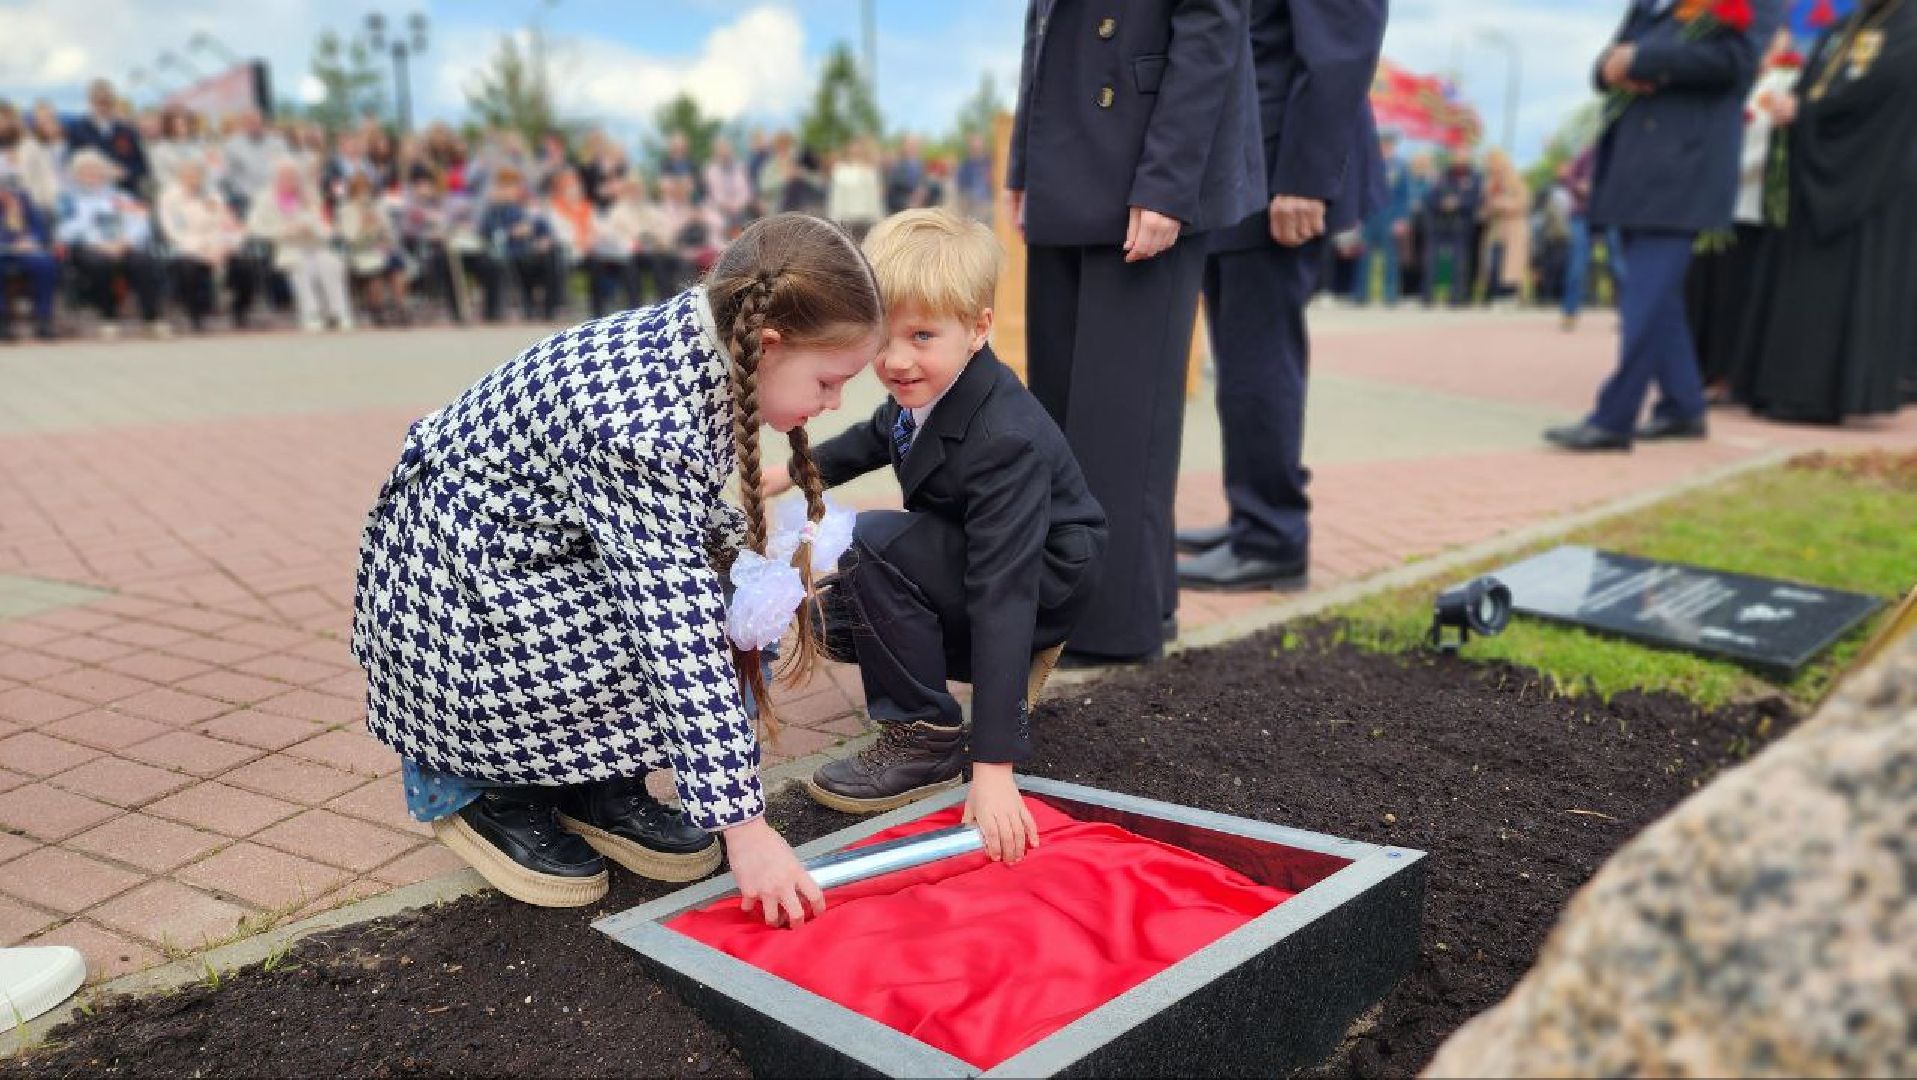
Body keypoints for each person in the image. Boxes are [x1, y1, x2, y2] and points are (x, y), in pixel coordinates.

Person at [351, 212, 883, 918]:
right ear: (767, 341)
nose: (835, 402)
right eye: (828, 381)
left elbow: (666, 537)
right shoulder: (639, 422)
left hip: (530, 559)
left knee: (721, 594)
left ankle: (593, 781)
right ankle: (485, 791)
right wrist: (745, 827)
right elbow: (671, 619)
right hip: (453, 595)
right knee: (685, 624)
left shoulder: (699, 349)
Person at [777, 210, 1106, 858]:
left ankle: (923, 736)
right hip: (976, 546)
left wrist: (993, 770)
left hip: (1037, 580)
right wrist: (790, 473)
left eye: (922, 335)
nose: (896, 360)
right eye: (884, 337)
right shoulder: (931, 387)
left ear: (977, 329)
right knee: (833, 616)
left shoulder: (1003, 437)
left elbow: (1003, 590)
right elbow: (879, 435)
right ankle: (920, 659)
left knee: (866, 541)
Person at [1008, 0, 1263, 665]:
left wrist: (1169, 182)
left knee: (1121, 419)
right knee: (1063, 409)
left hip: (1145, 157)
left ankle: (1113, 630)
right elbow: (1045, 21)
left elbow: (1211, 22)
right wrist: (1022, 162)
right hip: (1069, 149)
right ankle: (1126, 601)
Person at [1175, 0, 1388, 594]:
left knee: (1259, 361)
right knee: (1242, 362)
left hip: (1281, 170)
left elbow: (1343, 44)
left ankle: (1272, 536)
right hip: (1247, 164)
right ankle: (1253, 517)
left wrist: (1304, 178)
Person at [1546, 0, 1785, 451]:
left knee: (1645, 296)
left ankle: (1613, 419)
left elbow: (1738, 63)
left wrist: (1642, 60)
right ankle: (1683, 407)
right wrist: (1609, 68)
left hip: (1687, 163)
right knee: (1655, 296)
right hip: (1633, 162)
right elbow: (1610, 57)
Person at [1735, 0, 1916, 424]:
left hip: (1866, 170)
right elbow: (1817, 77)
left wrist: (1811, 110)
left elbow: (1892, 85)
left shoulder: (1908, 24)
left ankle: (1821, 396)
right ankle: (1782, 387)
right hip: (1816, 163)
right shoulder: (1848, 24)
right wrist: (1793, 104)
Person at [1687, 29, 1799, 397]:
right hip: (1709, 205)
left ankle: (1726, 374)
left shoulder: (1781, 84)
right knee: (1702, 290)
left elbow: (1769, 147)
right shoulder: (1732, 81)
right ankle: (1696, 368)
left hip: (1748, 205)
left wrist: (1721, 167)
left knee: (1731, 297)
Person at [56, 149, 165, 338]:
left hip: (124, 244)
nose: (91, 175)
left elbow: (141, 222)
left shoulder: (121, 196)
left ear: (104, 173)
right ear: (76, 175)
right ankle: (108, 318)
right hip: (89, 247)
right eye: (85, 171)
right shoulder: (68, 199)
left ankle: (151, 319)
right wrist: (98, 243)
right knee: (101, 265)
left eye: (96, 170)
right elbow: (64, 231)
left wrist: (127, 241)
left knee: (144, 261)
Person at [246, 158, 354, 332]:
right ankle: (311, 314)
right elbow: (255, 228)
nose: (290, 180)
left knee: (331, 263)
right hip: (287, 246)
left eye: (293, 176)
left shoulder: (309, 197)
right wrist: (285, 230)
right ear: (276, 177)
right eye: (285, 176)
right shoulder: (264, 198)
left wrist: (314, 230)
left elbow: (325, 227)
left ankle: (339, 313)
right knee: (300, 265)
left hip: (315, 244)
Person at [158, 159, 260, 331]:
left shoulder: (213, 195)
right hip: (189, 245)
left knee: (245, 265)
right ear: (180, 177)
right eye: (188, 176)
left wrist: (228, 245)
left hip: (219, 243)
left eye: (197, 176)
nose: (193, 180)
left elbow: (229, 223)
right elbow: (174, 231)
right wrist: (202, 248)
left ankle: (239, 311)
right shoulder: (170, 198)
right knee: (188, 267)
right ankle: (196, 315)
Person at [475, 166, 565, 321]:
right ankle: (510, 310)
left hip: (531, 252)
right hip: (509, 254)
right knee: (497, 263)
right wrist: (512, 232)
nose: (512, 190)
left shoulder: (527, 208)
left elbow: (544, 229)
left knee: (554, 254)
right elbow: (487, 233)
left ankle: (552, 309)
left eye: (514, 186)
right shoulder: (493, 211)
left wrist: (544, 240)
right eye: (506, 187)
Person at [1558, 143, 1627, 330]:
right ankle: (1569, 313)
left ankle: (1628, 315)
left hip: (1611, 212)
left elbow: (1628, 185)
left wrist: (1599, 189)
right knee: (1577, 262)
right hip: (1582, 213)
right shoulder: (1586, 154)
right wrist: (1578, 185)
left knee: (1618, 264)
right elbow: (1569, 178)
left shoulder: (1623, 154)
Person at [337, 172, 411, 325]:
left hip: (380, 247)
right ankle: (376, 309)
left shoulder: (378, 206)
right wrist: (363, 225)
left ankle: (400, 307)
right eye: (359, 190)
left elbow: (390, 231)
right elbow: (349, 238)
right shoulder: (346, 210)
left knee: (397, 266)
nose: (363, 193)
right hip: (360, 250)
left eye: (366, 189)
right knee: (374, 272)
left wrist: (381, 229)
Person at [1352, 130, 1410, 305]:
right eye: (1382, 143)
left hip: (1389, 216)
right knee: (1363, 257)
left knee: (1390, 258)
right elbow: (1358, 193)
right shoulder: (1368, 165)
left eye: (1388, 144)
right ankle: (1361, 295)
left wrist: (1401, 219)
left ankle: (1390, 295)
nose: (1385, 147)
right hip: (1368, 216)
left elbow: (1403, 196)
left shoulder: (1400, 167)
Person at [63, 80, 147, 196]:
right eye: (99, 102)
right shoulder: (77, 129)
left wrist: (125, 172)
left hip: (125, 192)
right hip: (90, 194)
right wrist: (93, 173)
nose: (104, 106)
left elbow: (142, 166)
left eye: (107, 101)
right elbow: (70, 162)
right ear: (91, 102)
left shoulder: (127, 130)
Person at [0, 182, 58, 341]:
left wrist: (31, 240)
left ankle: (43, 319)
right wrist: (9, 243)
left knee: (46, 263)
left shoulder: (23, 199)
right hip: (3, 250)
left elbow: (40, 230)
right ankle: (2, 321)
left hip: (27, 250)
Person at [1422, 153, 1481, 306]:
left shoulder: (1475, 177)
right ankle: (1428, 297)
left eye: (1462, 156)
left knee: (1459, 263)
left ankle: (1456, 298)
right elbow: (1429, 198)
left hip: (1460, 225)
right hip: (1438, 224)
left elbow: (1476, 200)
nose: (1459, 159)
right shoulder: (1441, 176)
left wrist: (1458, 203)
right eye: (1456, 156)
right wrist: (1442, 204)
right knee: (1432, 261)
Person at [1478, 148, 1530, 304]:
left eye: (1493, 163)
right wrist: (1486, 210)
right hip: (1495, 229)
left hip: (1513, 227)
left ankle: (1510, 294)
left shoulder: (1515, 180)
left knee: (1511, 264)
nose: (1491, 167)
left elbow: (1523, 203)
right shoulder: (1489, 184)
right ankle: (1494, 293)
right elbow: (1486, 205)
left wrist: (1502, 204)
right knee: (1494, 262)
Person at [0, 102, 60, 214]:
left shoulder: (31, 144)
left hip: (33, 206)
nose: (2, 123)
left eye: (5, 119)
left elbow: (47, 176)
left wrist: (52, 204)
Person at [828, 138, 885, 240]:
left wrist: (880, 224)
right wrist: (833, 225)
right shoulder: (840, 171)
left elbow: (874, 200)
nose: (856, 150)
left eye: (859, 147)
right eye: (853, 147)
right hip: (847, 222)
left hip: (867, 222)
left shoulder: (871, 172)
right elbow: (837, 199)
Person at [703, 138, 753, 231]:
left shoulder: (740, 167)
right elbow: (715, 194)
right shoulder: (710, 170)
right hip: (719, 209)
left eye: (726, 149)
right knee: (719, 224)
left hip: (740, 209)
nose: (724, 153)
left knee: (747, 226)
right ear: (715, 153)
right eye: (720, 150)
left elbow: (746, 191)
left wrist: (737, 205)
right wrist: (728, 206)